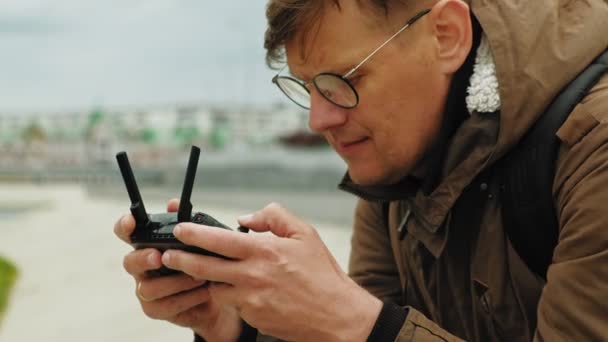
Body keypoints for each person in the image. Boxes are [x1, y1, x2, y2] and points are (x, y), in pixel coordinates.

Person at [114, 0, 608, 340]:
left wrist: (358, 324)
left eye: (342, 81)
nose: (319, 118)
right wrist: (235, 326)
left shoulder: (593, 147)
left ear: (446, 35)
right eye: (306, 87)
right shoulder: (397, 165)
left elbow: (363, 328)